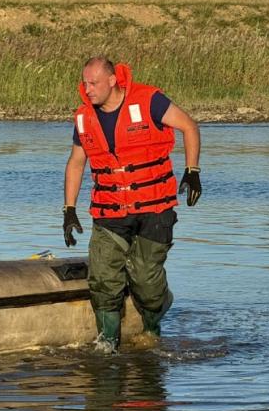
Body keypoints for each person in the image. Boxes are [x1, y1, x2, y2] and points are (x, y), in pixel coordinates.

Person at [63, 56, 201, 353]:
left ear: (112, 80)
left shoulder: (149, 101)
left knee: (146, 283)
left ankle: (153, 325)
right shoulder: (83, 117)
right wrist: (69, 209)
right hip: (109, 210)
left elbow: (189, 126)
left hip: (155, 210)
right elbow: (76, 162)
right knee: (102, 279)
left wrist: (192, 171)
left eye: (93, 83)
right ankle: (107, 346)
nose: (87, 90)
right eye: (84, 83)